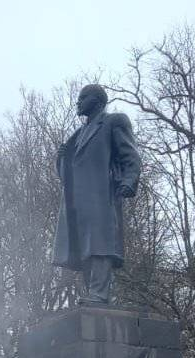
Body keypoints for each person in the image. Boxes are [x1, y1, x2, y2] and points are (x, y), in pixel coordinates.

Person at [52, 83, 141, 305]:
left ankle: (99, 294)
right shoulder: (77, 135)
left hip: (101, 195)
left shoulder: (113, 121)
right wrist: (62, 159)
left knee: (100, 245)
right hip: (76, 203)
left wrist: (129, 180)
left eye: (83, 98)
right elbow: (66, 177)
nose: (78, 102)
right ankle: (92, 294)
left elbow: (130, 155)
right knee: (82, 249)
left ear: (97, 100)